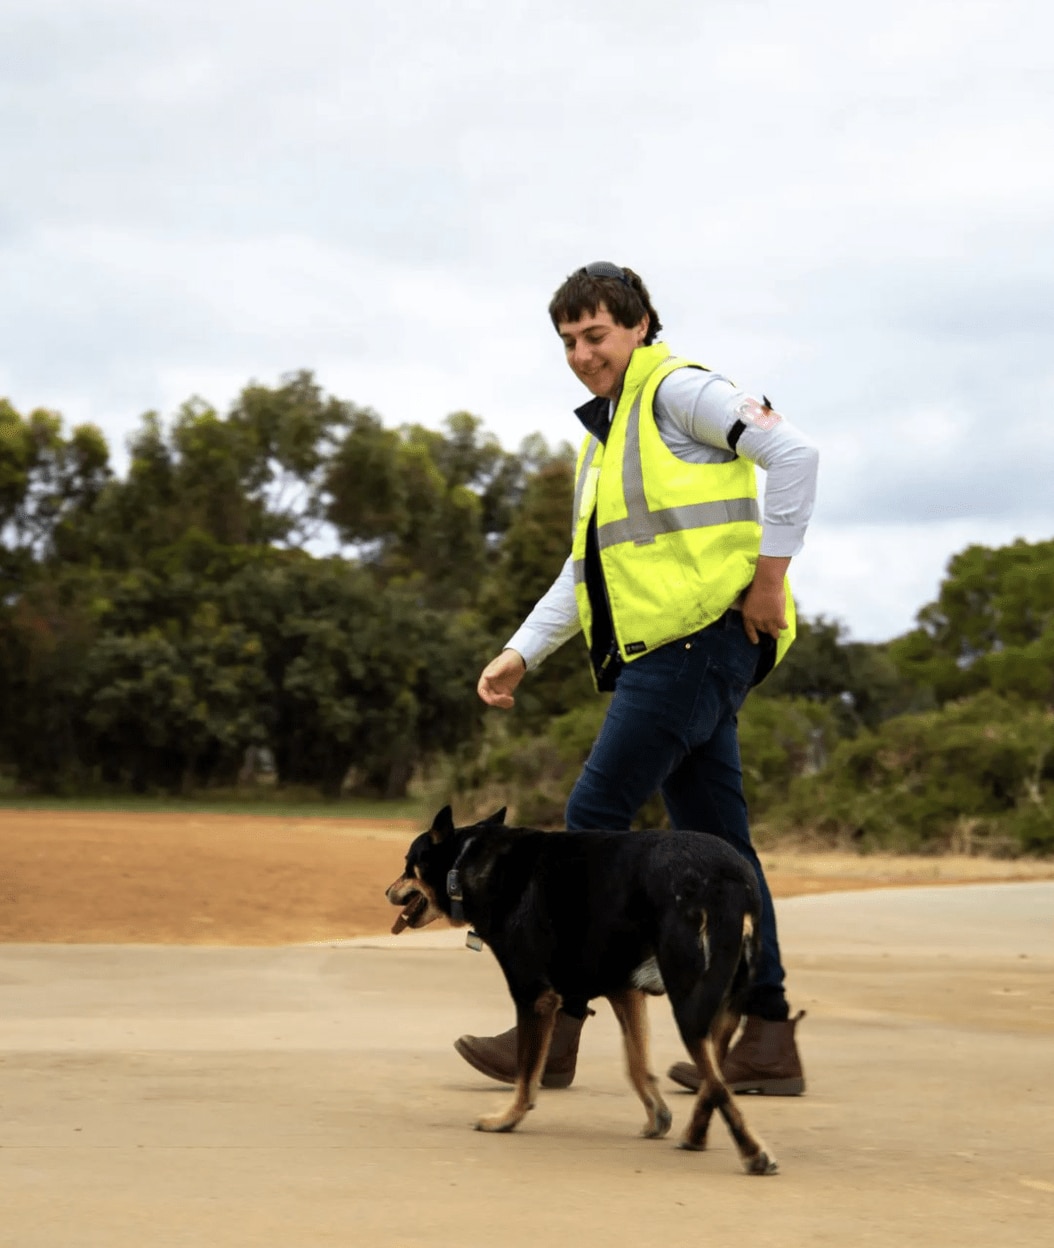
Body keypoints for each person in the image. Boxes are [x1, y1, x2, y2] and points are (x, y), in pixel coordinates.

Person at [454, 261, 819, 1095]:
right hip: (676, 652)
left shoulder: (680, 391)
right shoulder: (605, 436)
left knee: (591, 824)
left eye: (597, 334)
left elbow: (795, 455)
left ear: (640, 324)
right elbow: (585, 569)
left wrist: (770, 579)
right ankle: (766, 1038)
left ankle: (555, 1032)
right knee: (722, 847)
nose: (583, 353)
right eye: (569, 341)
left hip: (698, 644)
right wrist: (522, 650)